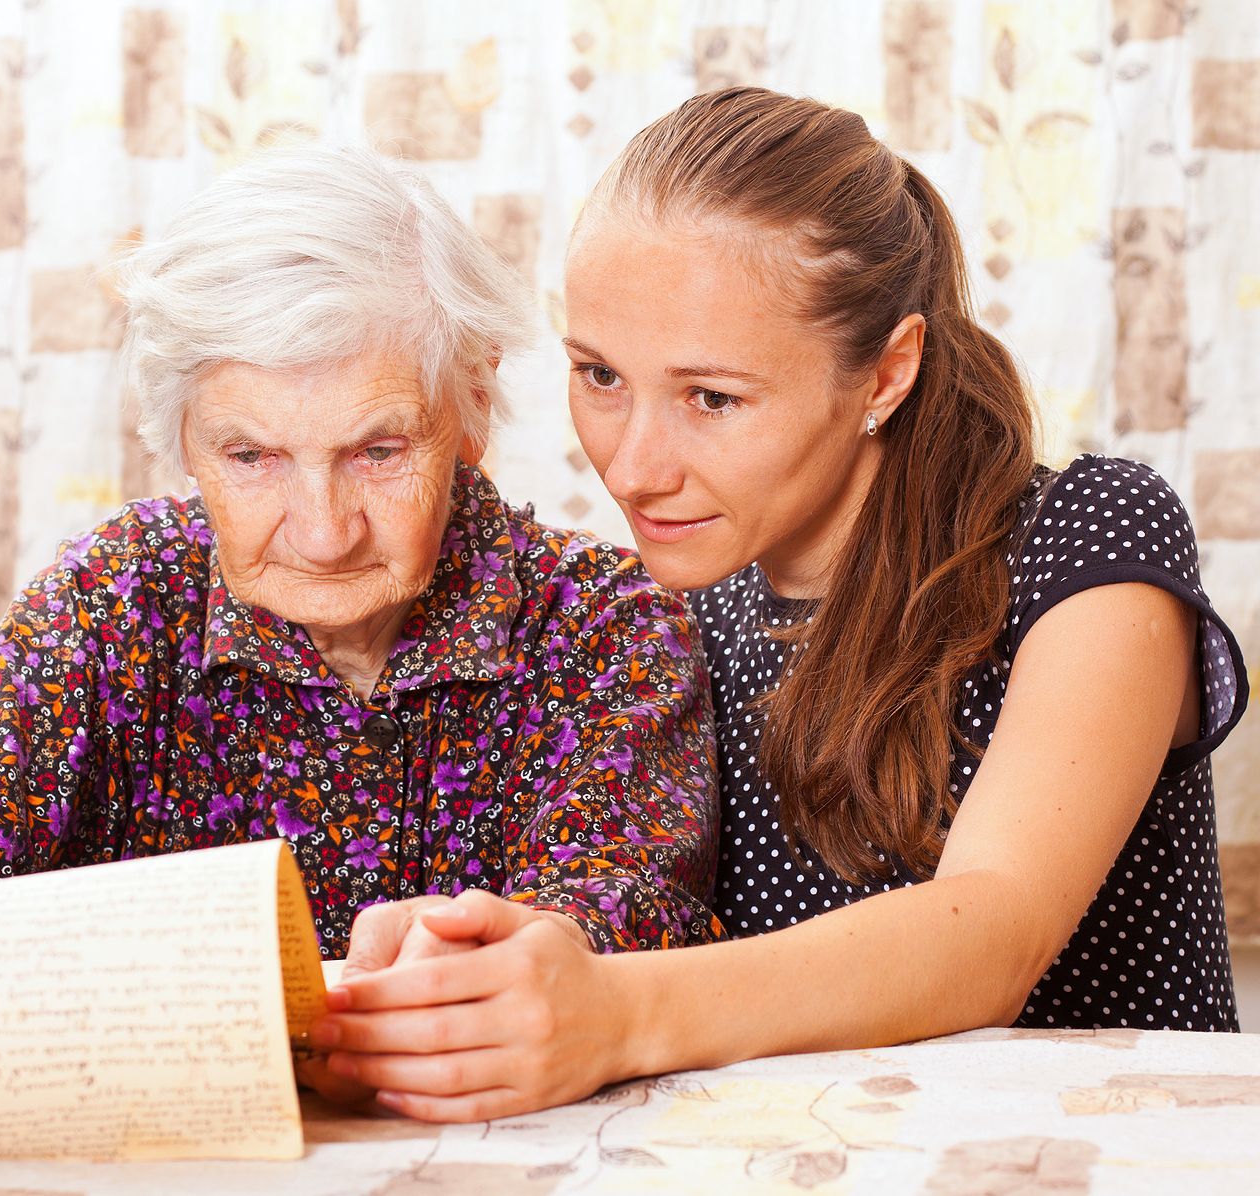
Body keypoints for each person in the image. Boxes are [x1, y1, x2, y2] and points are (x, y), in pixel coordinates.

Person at [309, 87, 1249, 1121]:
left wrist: (614, 1012)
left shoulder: (1090, 534)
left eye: (711, 398)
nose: (630, 466)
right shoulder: (662, 617)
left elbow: (992, 930)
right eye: (599, 374)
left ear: (885, 373)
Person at [0, 148, 720, 980]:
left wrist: (517, 951)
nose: (324, 532)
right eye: (251, 458)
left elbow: (632, 915)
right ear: (182, 441)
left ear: (469, 407)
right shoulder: (118, 595)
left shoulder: (604, 622)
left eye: (377, 452)